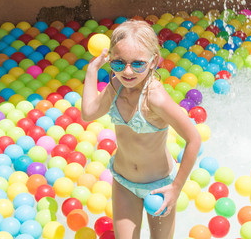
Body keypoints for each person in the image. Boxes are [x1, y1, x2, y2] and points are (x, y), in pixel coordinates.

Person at [81, 20, 201, 239]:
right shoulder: (116, 87)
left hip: (159, 185)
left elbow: (194, 139)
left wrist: (176, 188)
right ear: (110, 58)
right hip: (124, 182)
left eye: (138, 64)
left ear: (153, 61)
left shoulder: (154, 98)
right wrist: (92, 70)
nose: (127, 71)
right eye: (118, 63)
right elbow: (88, 113)